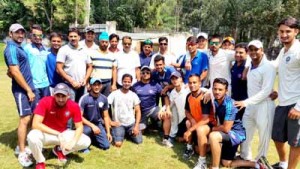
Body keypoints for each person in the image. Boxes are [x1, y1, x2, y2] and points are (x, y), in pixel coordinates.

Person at [208, 78, 269, 169]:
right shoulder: (215, 100)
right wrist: (206, 93)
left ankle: (215, 167)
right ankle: (256, 164)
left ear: (226, 91)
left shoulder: (230, 104)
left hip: (235, 134)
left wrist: (212, 129)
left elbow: (226, 128)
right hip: (226, 134)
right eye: (215, 89)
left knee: (213, 136)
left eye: (220, 89)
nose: (217, 92)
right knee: (226, 162)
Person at [27, 83, 91, 169]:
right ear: (53, 94)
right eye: (58, 96)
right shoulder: (45, 101)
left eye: (63, 96)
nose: (60, 99)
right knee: (32, 136)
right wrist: (57, 134)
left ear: (68, 95)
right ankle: (40, 161)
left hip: (63, 135)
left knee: (86, 141)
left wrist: (72, 143)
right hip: (45, 134)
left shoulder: (74, 106)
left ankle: (59, 150)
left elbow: (79, 127)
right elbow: (35, 124)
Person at [235, 40, 276, 162]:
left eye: (256, 49)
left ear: (262, 50)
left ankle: (260, 161)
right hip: (251, 106)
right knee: (245, 131)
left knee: (264, 136)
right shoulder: (250, 65)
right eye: (251, 49)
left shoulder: (268, 67)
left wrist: (246, 102)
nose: (253, 52)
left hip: (264, 105)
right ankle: (245, 156)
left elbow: (266, 91)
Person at [4, 23, 38, 167]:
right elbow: (15, 71)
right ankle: (22, 151)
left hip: (29, 88)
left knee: (31, 118)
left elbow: (13, 71)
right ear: (10, 34)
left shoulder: (19, 47)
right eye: (17, 33)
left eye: (22, 32)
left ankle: (24, 144)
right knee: (25, 119)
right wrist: (28, 90)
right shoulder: (11, 48)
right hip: (22, 90)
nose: (20, 35)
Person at [271, 17, 300, 169]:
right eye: (281, 31)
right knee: (276, 136)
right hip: (282, 102)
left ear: (296, 31)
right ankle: (283, 163)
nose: (284, 34)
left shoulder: (298, 50)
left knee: (295, 142)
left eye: (288, 31)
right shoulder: (284, 50)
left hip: (295, 104)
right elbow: (274, 66)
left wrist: (299, 107)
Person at [132, 66, 172, 147]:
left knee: (166, 116)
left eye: (147, 72)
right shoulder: (135, 86)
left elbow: (165, 96)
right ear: (140, 74)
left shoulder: (155, 85)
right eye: (143, 72)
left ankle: (166, 138)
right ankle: (147, 126)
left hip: (153, 109)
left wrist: (167, 108)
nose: (145, 74)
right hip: (141, 112)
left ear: (150, 74)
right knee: (139, 132)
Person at [182, 74, 216, 163]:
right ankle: (189, 148)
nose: (192, 85)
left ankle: (202, 161)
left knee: (200, 129)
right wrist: (192, 120)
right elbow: (186, 111)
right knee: (188, 122)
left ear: (200, 83)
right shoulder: (189, 96)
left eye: (194, 82)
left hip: (208, 124)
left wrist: (190, 130)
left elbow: (206, 119)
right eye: (190, 83)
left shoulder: (205, 97)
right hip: (197, 123)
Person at [56, 27, 93, 102]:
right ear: (68, 37)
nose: (73, 38)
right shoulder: (64, 49)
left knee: (81, 108)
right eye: (71, 36)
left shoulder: (84, 50)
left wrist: (85, 79)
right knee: (70, 108)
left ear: (79, 37)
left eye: (75, 36)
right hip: (69, 85)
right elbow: (59, 68)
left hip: (82, 85)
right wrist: (71, 81)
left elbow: (90, 66)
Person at [108, 74, 143, 147]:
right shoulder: (114, 94)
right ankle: (120, 133)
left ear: (131, 83)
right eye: (125, 81)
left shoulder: (133, 95)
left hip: (131, 123)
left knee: (139, 141)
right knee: (118, 144)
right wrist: (110, 122)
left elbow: (138, 111)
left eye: (128, 82)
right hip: (119, 124)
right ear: (121, 82)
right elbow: (105, 108)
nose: (126, 83)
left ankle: (126, 133)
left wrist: (136, 126)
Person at [79, 78, 112, 150]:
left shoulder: (104, 98)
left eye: (98, 85)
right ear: (90, 86)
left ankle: (93, 138)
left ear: (101, 86)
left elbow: (106, 117)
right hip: (86, 124)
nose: (96, 87)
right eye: (94, 85)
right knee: (86, 130)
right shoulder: (84, 98)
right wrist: (92, 126)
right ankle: (83, 144)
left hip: (98, 124)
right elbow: (79, 117)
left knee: (106, 146)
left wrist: (108, 133)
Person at [24, 24, 50, 99]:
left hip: (46, 84)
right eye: (34, 35)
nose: (38, 37)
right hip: (33, 85)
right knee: (36, 110)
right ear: (30, 35)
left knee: (47, 109)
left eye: (40, 35)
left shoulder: (46, 49)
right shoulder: (26, 49)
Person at [165, 71, 190, 142]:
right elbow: (170, 104)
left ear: (181, 79)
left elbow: (201, 90)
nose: (175, 80)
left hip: (190, 118)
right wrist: (164, 110)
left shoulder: (188, 88)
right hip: (181, 120)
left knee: (184, 139)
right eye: (173, 79)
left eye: (176, 78)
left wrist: (208, 94)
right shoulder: (173, 92)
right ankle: (171, 135)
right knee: (172, 109)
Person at [90, 31, 117, 96]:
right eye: (102, 42)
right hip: (95, 83)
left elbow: (114, 70)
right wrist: (88, 83)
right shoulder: (92, 53)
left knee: (105, 101)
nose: (104, 44)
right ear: (99, 42)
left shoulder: (112, 55)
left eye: (106, 42)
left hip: (107, 83)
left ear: (108, 43)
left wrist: (114, 84)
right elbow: (89, 68)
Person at [231, 43, 248, 119]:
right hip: (234, 100)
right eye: (236, 52)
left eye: (241, 52)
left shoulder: (248, 66)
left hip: (244, 102)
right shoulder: (234, 64)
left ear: (247, 53)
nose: (238, 54)